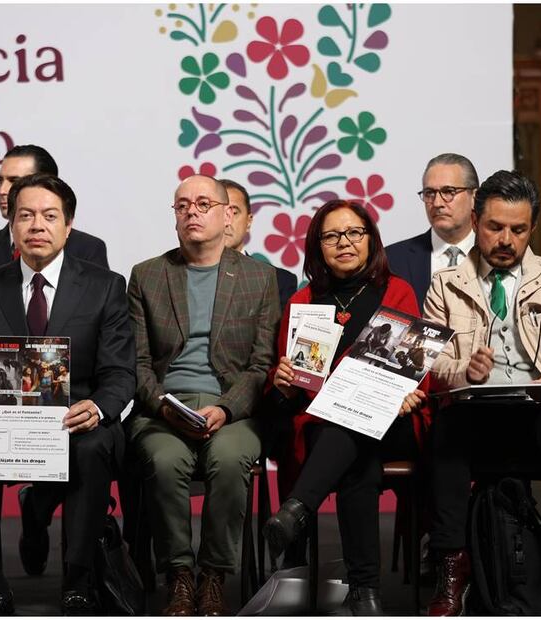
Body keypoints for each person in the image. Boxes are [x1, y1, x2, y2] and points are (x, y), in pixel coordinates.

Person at [0, 173, 136, 615]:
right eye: (25, 215)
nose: (37, 225)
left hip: (74, 422)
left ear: (68, 226)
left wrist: (99, 408)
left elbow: (120, 373)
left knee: (94, 447)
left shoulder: (105, 285)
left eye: (49, 216)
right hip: (2, 422)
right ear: (11, 224)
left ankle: (79, 580)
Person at [423, 170, 541, 617]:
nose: (505, 239)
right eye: (494, 227)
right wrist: (465, 370)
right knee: (448, 421)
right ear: (476, 222)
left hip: (540, 411)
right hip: (478, 414)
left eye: (518, 230)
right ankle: (451, 562)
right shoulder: (446, 283)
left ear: (531, 229)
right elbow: (433, 362)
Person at [262, 199, 429, 615]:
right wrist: (282, 379)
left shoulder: (397, 290)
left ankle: (298, 508)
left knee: (351, 432)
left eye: (354, 232)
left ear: (370, 239)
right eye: (331, 235)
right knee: (358, 462)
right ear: (317, 246)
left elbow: (414, 364)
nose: (344, 242)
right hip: (327, 421)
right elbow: (294, 388)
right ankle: (365, 592)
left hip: (393, 419)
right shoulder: (303, 300)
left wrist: (408, 390)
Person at [125, 174, 279, 616]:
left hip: (231, 407)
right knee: (162, 460)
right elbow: (136, 362)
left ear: (227, 213)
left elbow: (260, 364)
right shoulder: (148, 275)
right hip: (163, 407)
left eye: (203, 204)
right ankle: (178, 574)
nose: (192, 211)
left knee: (230, 461)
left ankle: (213, 576)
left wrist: (227, 408)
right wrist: (161, 405)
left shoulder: (258, 276)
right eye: (182, 205)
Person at [0, 144, 109, 328]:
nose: (3, 190)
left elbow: (99, 325)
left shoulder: (88, 249)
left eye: (14, 181)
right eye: (0, 180)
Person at [385, 153, 479, 310]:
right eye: (429, 193)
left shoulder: (497, 256)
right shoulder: (392, 260)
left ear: (474, 196)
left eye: (449, 191)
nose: (437, 203)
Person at [219, 178, 297, 311]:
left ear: (248, 222)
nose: (226, 222)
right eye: (219, 213)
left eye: (234, 212)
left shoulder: (279, 281)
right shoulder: (181, 276)